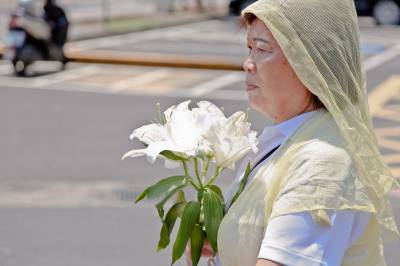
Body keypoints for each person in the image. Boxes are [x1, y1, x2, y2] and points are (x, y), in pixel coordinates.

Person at [185, 0, 399, 265]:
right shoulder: (290, 137)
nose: (248, 64)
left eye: (262, 49)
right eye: (249, 48)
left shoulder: (324, 161)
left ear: (308, 62)